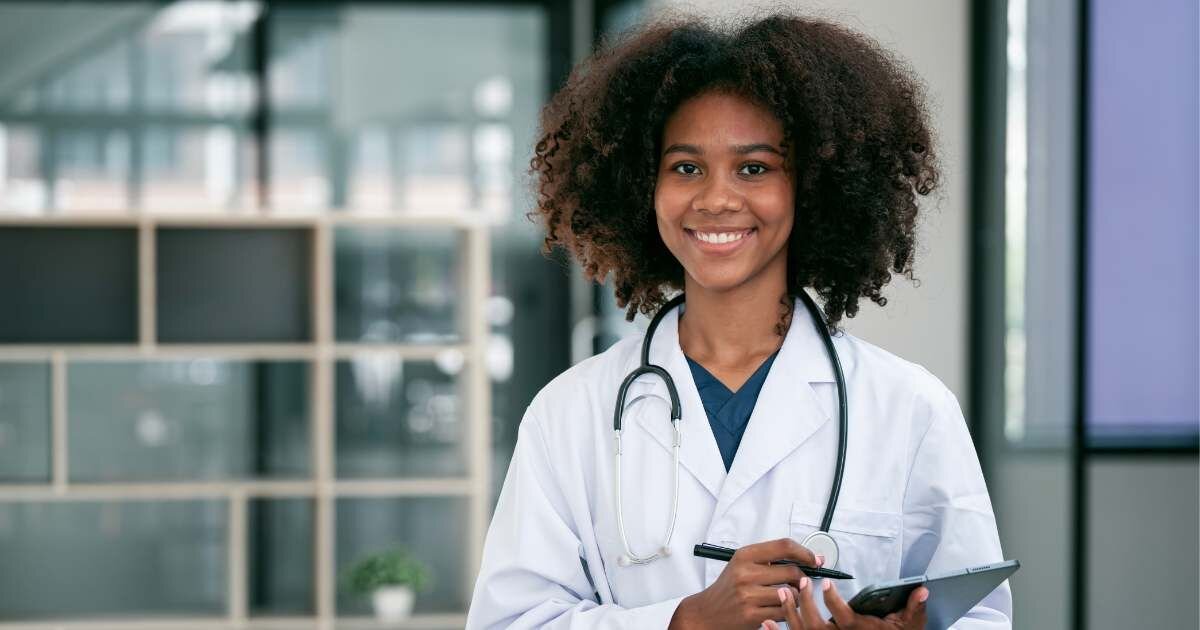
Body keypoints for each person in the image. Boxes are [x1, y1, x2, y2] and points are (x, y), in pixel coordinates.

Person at [466, 12, 1011, 630]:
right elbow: (510, 623)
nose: (717, 199)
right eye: (686, 167)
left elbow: (980, 617)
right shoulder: (570, 413)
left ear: (812, 188)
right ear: (642, 187)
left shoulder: (909, 407)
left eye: (754, 168)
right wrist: (686, 621)